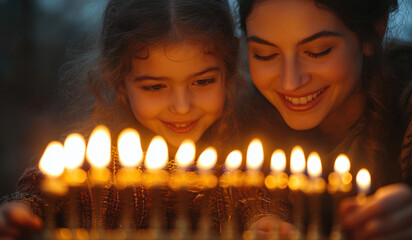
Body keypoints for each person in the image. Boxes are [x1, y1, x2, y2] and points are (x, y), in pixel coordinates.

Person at [0, 0, 266, 238]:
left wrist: (267, 222)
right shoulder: (94, 170)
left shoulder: (243, 170)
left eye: (203, 81)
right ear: (120, 85)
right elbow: (41, 195)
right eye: (155, 87)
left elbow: (260, 205)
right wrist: (18, 211)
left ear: (228, 76)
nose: (182, 107)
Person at [237, 0, 412, 239]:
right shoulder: (241, 121)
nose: (290, 82)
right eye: (265, 55)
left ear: (372, 34)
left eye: (318, 51)